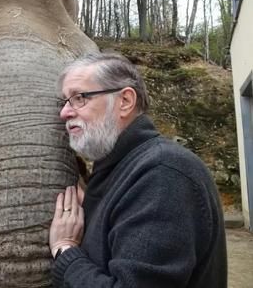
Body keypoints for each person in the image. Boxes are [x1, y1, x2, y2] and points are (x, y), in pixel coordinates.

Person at [49, 53, 227, 287]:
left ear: (125, 101)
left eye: (79, 97)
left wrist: (65, 251)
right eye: (65, 100)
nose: (64, 113)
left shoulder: (163, 174)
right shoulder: (122, 170)